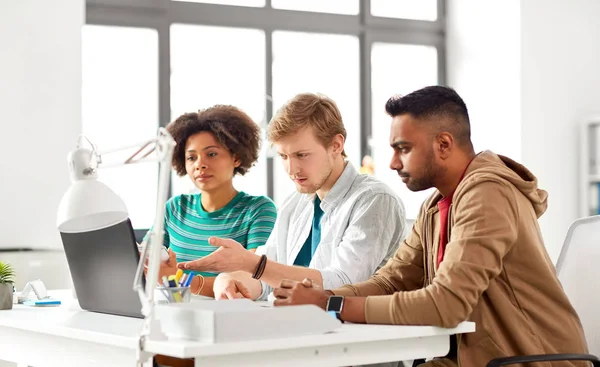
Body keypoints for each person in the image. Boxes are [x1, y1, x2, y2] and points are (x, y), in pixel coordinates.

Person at [271, 86, 588, 367]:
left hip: (529, 359)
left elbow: (444, 304)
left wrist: (330, 303)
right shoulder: (436, 206)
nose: (394, 162)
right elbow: (391, 281)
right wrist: (319, 297)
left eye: (404, 148)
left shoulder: (488, 194)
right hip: (472, 356)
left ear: (444, 144)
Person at [177, 93, 406, 302]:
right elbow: (265, 279)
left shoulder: (374, 200)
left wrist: (252, 265)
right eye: (283, 156)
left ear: (336, 145)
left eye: (301, 155)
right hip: (295, 328)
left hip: (351, 336)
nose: (291, 168)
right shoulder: (295, 203)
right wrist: (230, 280)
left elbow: (343, 283)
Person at [154, 105, 277, 298]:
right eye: (191, 157)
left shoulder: (258, 210)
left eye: (211, 154)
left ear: (236, 157)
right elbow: (148, 264)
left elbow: (256, 279)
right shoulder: (175, 208)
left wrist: (179, 280)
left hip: (229, 316)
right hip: (177, 310)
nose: (199, 164)